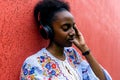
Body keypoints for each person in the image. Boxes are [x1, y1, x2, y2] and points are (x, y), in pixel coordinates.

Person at [20, 0, 112, 80]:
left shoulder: (72, 56)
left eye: (73, 27)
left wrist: (84, 48)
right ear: (49, 30)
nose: (72, 32)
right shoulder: (34, 64)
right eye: (65, 28)